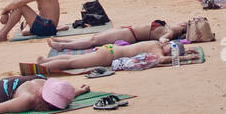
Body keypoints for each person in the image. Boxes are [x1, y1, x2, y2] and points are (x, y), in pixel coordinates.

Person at [32, 37, 187, 73]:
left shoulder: (156, 43)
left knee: (73, 58)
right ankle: (42, 67)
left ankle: (45, 60)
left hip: (110, 49)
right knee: (72, 63)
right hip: (109, 55)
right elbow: (162, 59)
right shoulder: (157, 49)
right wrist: (185, 57)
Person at [47, 20, 187, 51]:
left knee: (94, 40)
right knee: (95, 37)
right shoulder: (169, 26)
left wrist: (164, 39)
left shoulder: (170, 31)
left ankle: (63, 46)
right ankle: (67, 41)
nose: (184, 21)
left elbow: (164, 39)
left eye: (185, 23)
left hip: (129, 35)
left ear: (183, 28)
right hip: (127, 30)